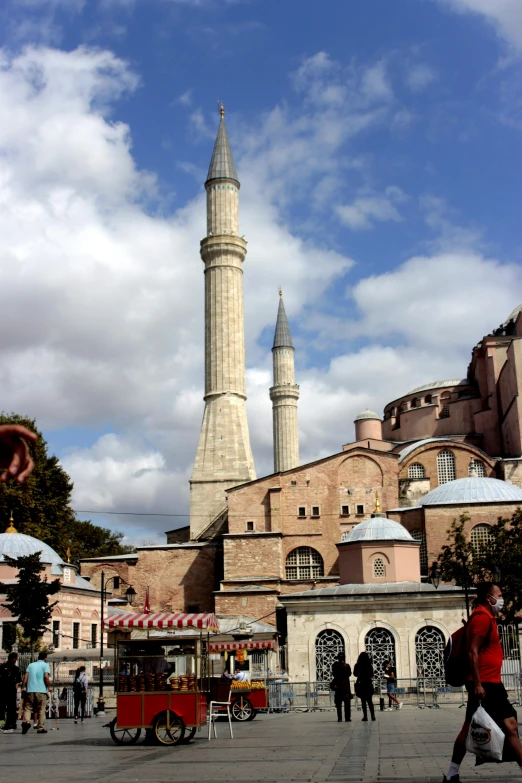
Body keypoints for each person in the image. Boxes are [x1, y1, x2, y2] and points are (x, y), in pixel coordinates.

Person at [443, 582, 522, 783]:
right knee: (509, 725)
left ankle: (452, 773)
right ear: (489, 598)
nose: (501, 599)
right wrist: (477, 684)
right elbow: (472, 651)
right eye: (500, 595)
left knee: (481, 725)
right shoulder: (482, 619)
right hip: (485, 683)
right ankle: (452, 773)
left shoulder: (486, 617)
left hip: (490, 682)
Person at [21, 651, 50, 734]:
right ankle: (40, 728)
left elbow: (25, 676)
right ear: (45, 658)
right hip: (41, 690)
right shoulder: (45, 665)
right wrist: (49, 687)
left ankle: (27, 722)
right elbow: (46, 677)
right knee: (41, 709)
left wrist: (23, 687)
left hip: (30, 690)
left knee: (28, 708)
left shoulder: (31, 665)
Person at [0, 652, 22, 732]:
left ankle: (4, 722)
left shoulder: (2, 666)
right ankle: (11, 723)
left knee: (2, 706)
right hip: (11, 690)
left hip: (2, 690)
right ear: (14, 659)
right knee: (11, 708)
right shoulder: (16, 668)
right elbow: (18, 680)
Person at [354, 651, 375, 722]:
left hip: (361, 684)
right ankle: (373, 715)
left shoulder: (358, 665)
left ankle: (365, 716)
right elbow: (372, 674)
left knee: (363, 701)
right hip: (368, 684)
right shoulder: (369, 665)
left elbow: (355, 674)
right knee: (370, 701)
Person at [331, 652, 352, 723]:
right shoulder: (343, 666)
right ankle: (344, 717)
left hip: (342, 686)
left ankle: (343, 717)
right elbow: (348, 674)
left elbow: (348, 674)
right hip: (342, 686)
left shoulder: (339, 666)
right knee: (342, 703)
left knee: (343, 703)